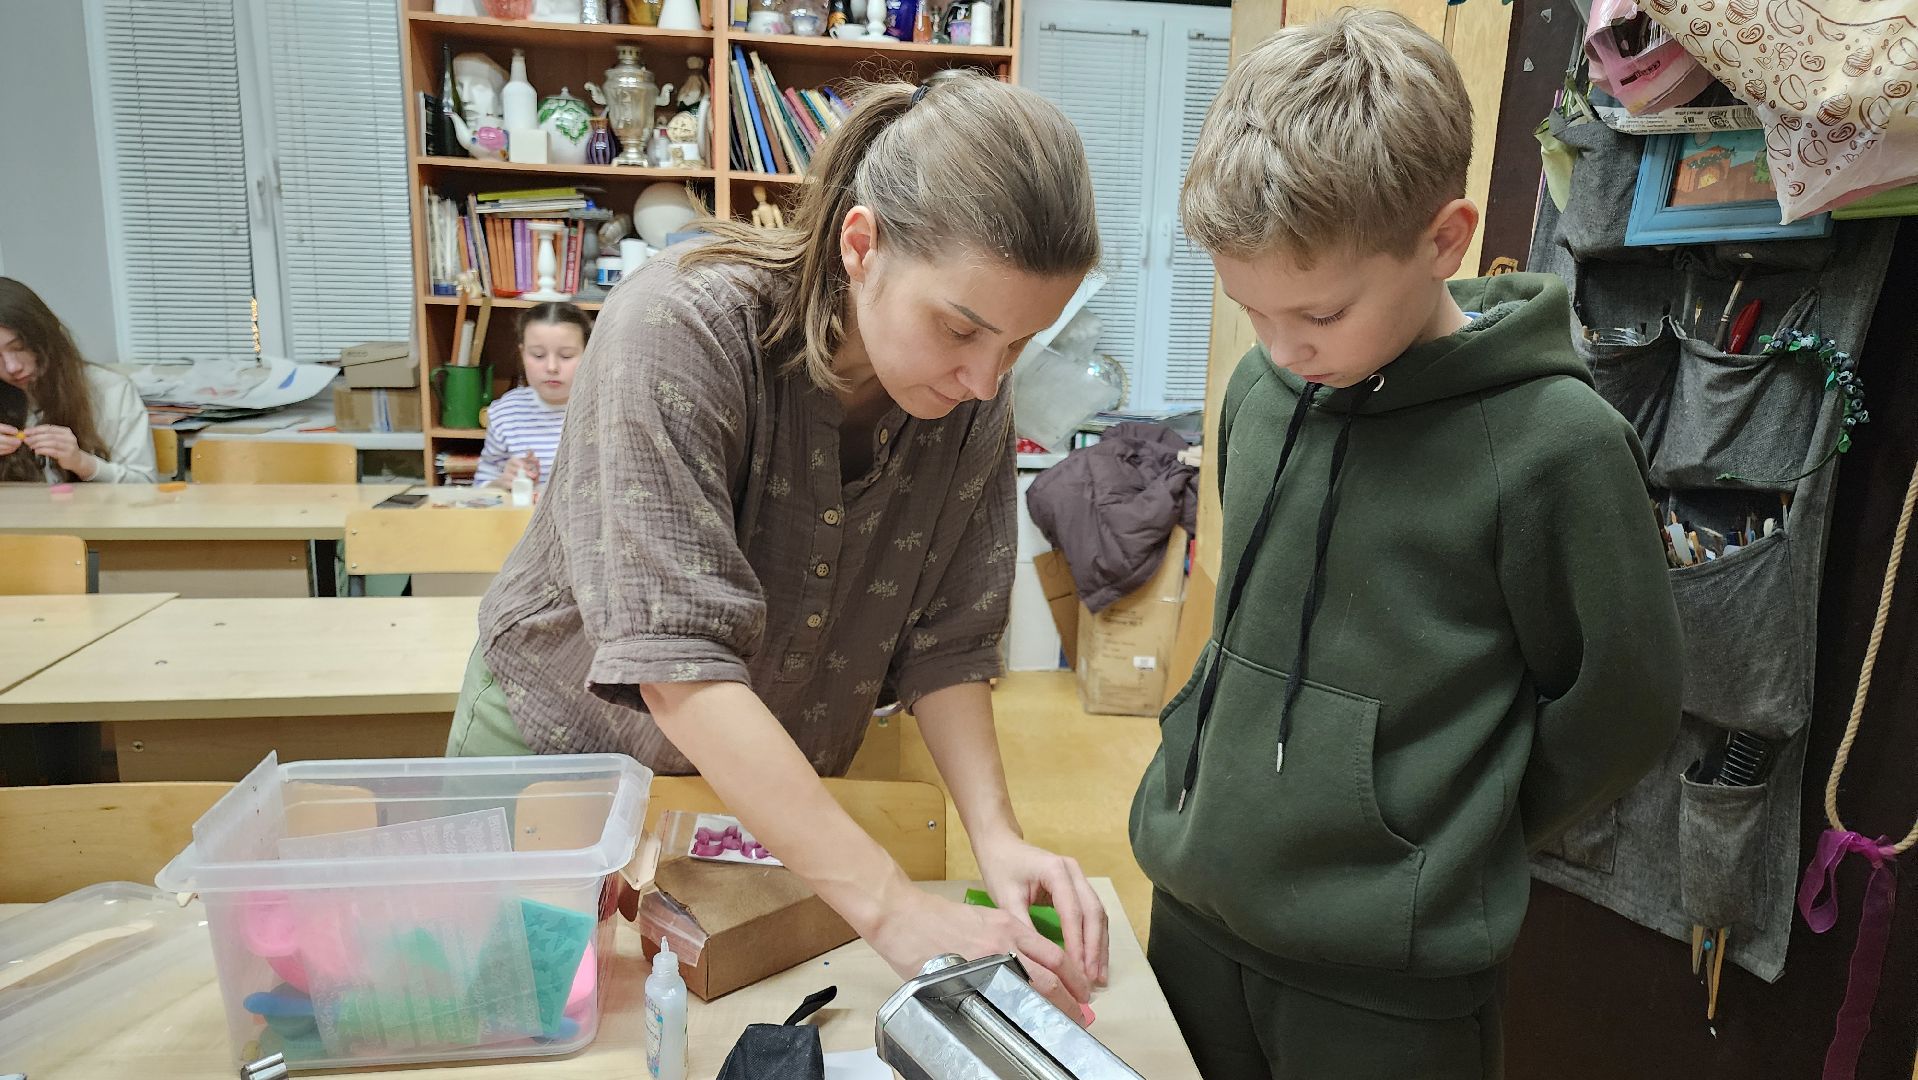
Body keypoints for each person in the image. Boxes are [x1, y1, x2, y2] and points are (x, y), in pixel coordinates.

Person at [451, 73, 1112, 1013]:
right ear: (861, 243)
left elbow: (948, 644)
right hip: (563, 751)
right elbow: (679, 670)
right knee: (520, 1026)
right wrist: (888, 906)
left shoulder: (972, 397)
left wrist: (998, 838)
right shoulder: (675, 332)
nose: (983, 378)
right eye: (961, 328)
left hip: (766, 794)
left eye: (1017, 345)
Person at [1128, 12, 1683, 1079]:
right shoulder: (1263, 389)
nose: (1283, 350)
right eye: (1252, 311)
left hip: (1382, 984)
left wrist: (1440, 830)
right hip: (1194, 912)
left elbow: (1623, 705)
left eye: (1319, 314)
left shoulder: (1555, 448)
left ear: (1444, 238)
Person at [0, 277, 158, 484]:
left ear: (46, 335)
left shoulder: (109, 390)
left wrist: (83, 463)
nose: (12, 367)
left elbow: (145, 485)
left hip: (98, 515)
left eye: (19, 346)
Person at [474, 301, 592, 489]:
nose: (552, 367)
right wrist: (504, 482)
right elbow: (481, 488)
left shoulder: (604, 409)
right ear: (522, 354)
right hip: (522, 518)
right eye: (538, 355)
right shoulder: (506, 413)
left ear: (589, 354)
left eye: (566, 356)